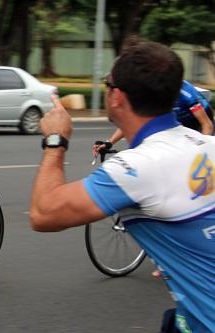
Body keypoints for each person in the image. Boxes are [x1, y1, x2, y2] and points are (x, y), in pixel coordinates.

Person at [30, 41, 214, 332]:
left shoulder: (137, 168)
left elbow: (43, 213)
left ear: (117, 97)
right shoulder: (209, 146)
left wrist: (56, 139)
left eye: (106, 83)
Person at [93, 79, 214, 156]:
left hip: (199, 119)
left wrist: (202, 151)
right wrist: (109, 143)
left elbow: (206, 125)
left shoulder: (184, 93)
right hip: (178, 120)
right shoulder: (151, 93)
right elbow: (136, 120)